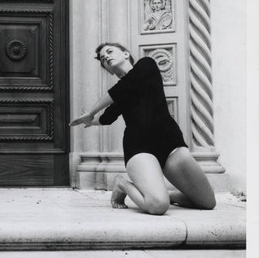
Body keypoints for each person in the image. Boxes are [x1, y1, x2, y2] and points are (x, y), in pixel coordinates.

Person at [70, 42, 216, 215]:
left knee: (207, 202)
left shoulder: (146, 65)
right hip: (139, 148)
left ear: (126, 54)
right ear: (108, 69)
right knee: (157, 206)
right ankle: (122, 184)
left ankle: (170, 196)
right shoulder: (120, 92)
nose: (106, 57)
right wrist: (90, 120)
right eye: (103, 59)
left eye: (109, 52)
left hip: (170, 144)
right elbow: (107, 118)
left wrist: (91, 111)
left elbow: (125, 86)